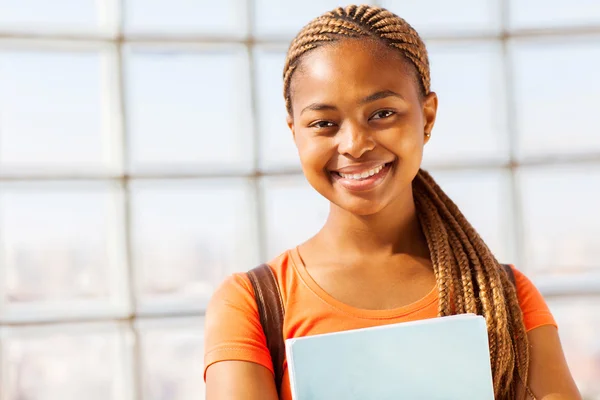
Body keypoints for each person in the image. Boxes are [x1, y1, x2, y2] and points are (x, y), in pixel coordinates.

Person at [204, 5, 581, 400]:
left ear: (427, 117)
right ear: (295, 132)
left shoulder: (506, 298)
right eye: (324, 123)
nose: (355, 144)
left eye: (382, 114)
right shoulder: (252, 304)